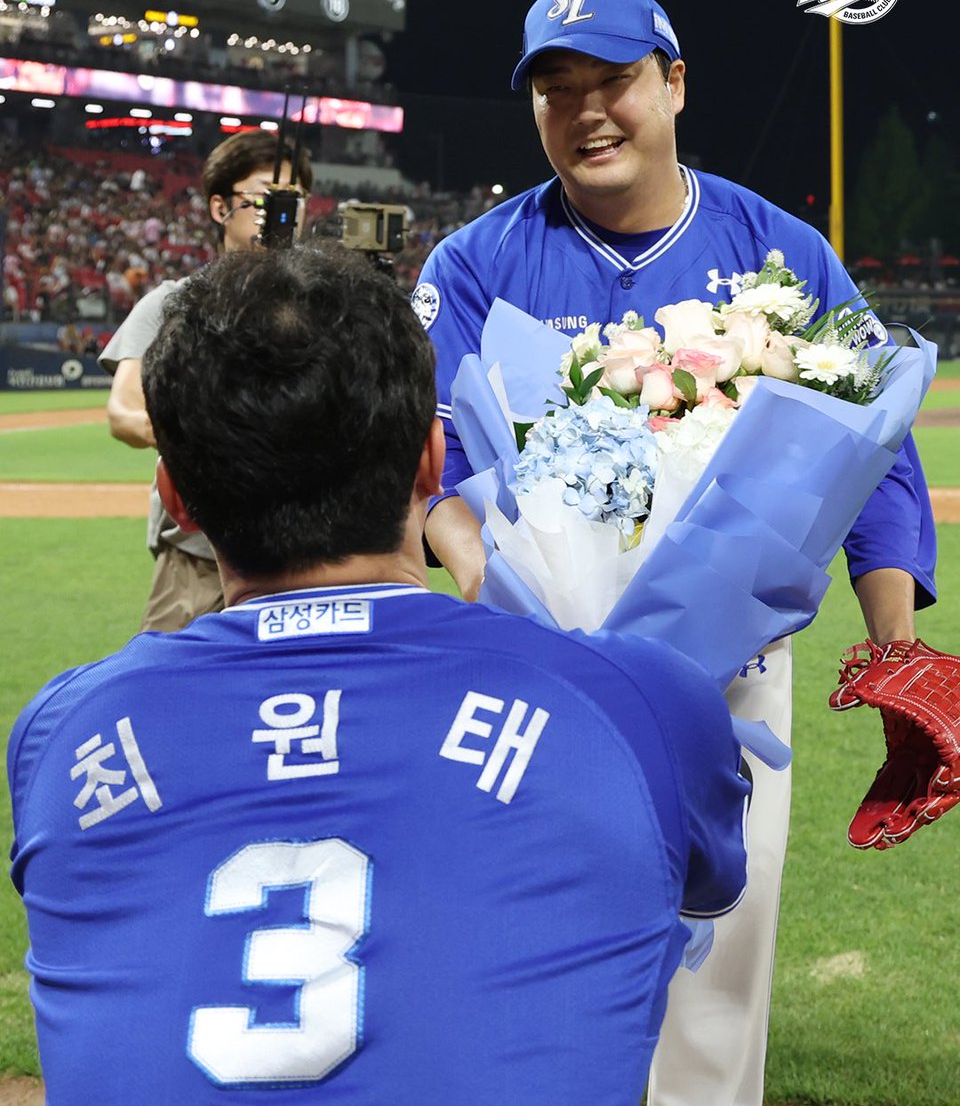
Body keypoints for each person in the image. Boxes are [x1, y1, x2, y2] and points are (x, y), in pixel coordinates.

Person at [8, 243, 748, 1104]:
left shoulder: (60, 734)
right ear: (432, 463)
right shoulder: (639, 704)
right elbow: (697, 901)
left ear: (176, 498)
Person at [413, 0, 937, 1106]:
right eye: (557, 91)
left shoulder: (779, 248)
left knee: (719, 976)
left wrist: (896, 642)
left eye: (614, 81)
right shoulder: (472, 264)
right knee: (537, 946)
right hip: (534, 670)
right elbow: (436, 467)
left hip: (731, 676)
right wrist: (499, 587)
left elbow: (879, 460)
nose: (587, 111)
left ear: (676, 84)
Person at [98, 130, 313, 632]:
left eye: (293, 198)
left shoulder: (327, 307)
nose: (280, 209)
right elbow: (123, 414)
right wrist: (223, 435)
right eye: (261, 195)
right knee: (171, 703)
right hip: (199, 557)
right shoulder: (173, 302)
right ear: (220, 208)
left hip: (311, 555)